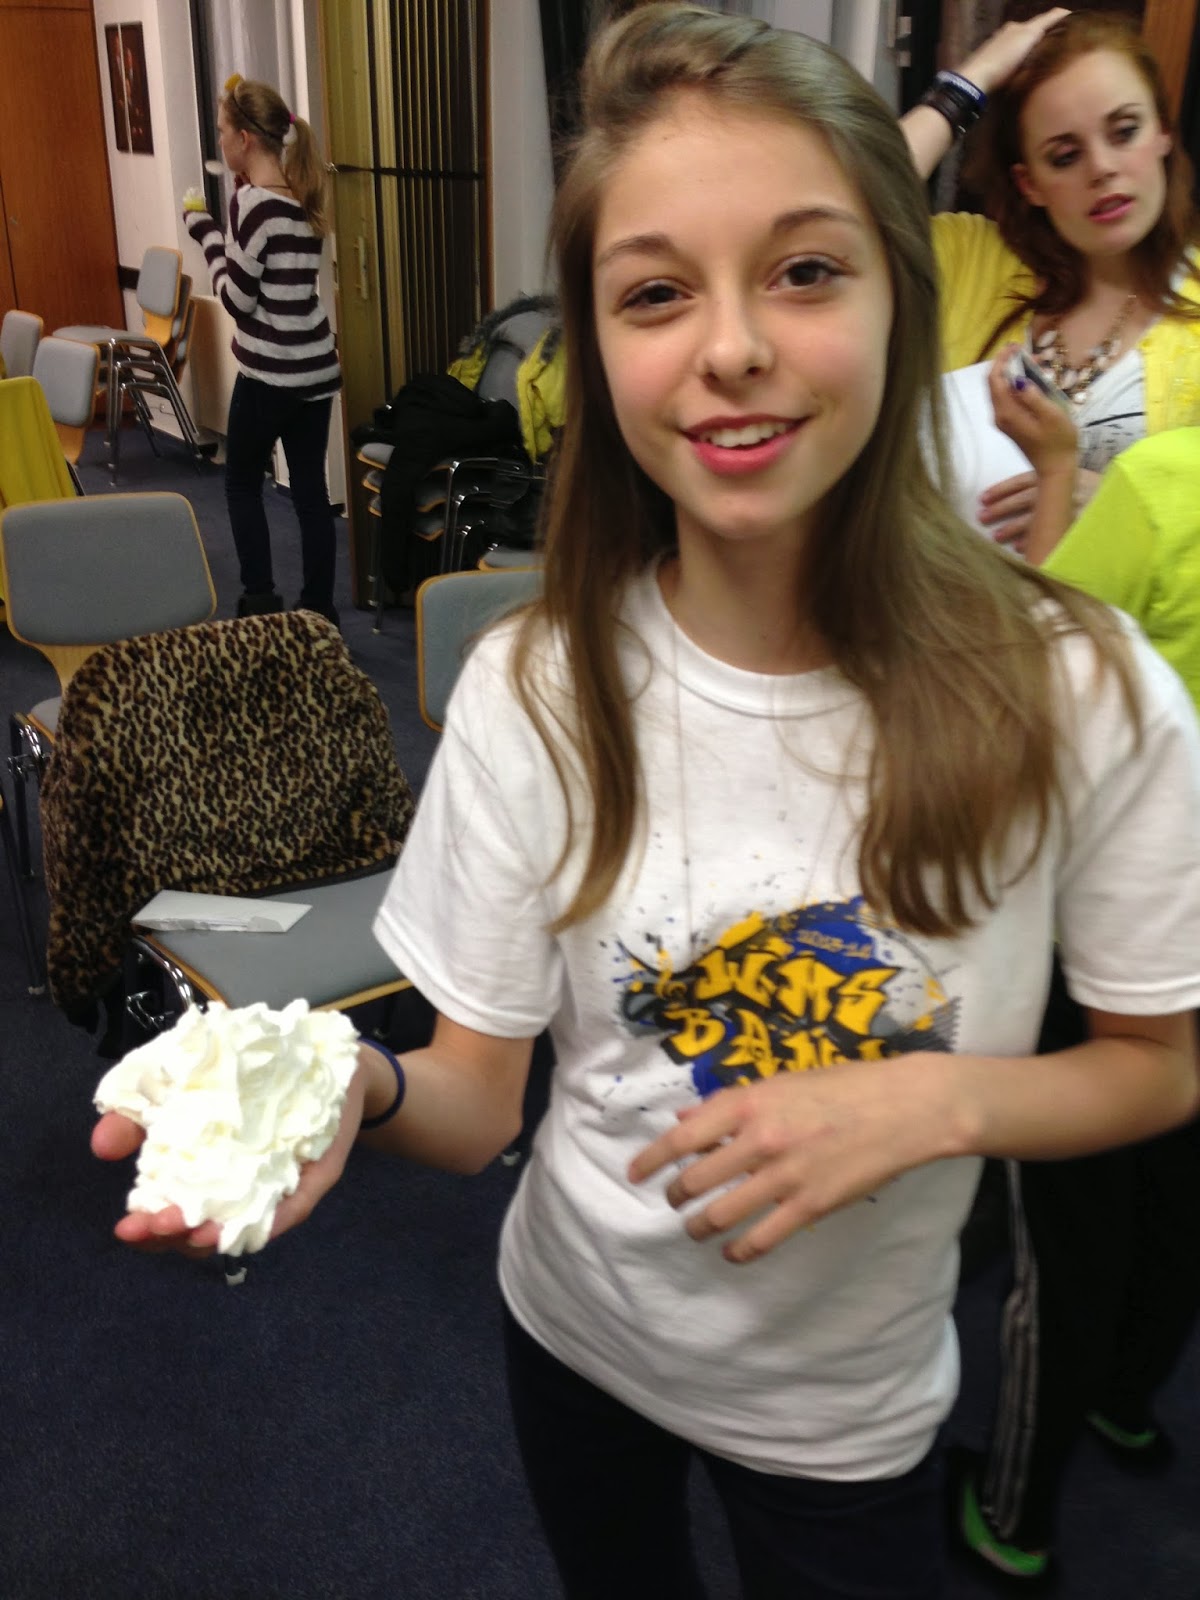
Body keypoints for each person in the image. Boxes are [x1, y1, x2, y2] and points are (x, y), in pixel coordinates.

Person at [95, 9, 1200, 1598]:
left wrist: (940, 1103)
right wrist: (352, 1085)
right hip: (574, 1338)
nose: (730, 347)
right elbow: (481, 1101)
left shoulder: (1081, 691)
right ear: (600, 348)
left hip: (845, 1418)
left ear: (899, 296)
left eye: (805, 270)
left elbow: (1157, 1064)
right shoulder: (539, 686)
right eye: (656, 292)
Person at [955, 363, 1200, 1583]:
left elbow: (1031, 674)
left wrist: (1058, 471)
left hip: (1115, 909)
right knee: (1179, 1191)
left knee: (1070, 1227)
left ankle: (1017, 1513)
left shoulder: (1165, 481)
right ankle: (1129, 1397)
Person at [901, 8, 1200, 548]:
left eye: (1125, 131)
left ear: (1163, 133)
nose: (1101, 167)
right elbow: (843, 203)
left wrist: (1124, 507)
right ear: (1030, 183)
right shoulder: (974, 259)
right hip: (934, 594)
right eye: (1064, 156)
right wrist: (970, 81)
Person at [182, 74, 343, 624]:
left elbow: (237, 299)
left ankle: (261, 606)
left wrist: (204, 231)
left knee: (241, 484)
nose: (220, 141)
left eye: (222, 131)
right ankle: (319, 612)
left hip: (270, 375)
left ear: (245, 139)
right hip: (316, 371)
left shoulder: (252, 205)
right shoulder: (302, 196)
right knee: (311, 494)